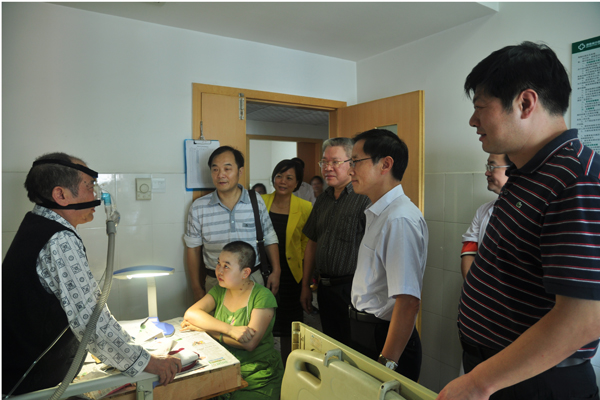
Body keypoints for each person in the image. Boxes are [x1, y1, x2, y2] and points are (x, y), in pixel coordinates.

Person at [438, 42, 600, 400]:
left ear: (525, 103)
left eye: (480, 107)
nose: (473, 121)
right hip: (502, 373)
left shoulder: (576, 179)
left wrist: (479, 383)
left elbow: (584, 318)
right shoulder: (527, 173)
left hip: (536, 383)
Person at [2, 153, 182, 395]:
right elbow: (91, 321)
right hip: (32, 385)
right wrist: (149, 363)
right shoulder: (59, 240)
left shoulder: (36, 224)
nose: (96, 194)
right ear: (60, 195)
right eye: (89, 186)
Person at [348, 129, 428, 381]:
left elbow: (408, 301)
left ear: (385, 164)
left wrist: (387, 363)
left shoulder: (399, 218)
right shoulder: (380, 213)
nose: (350, 170)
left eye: (356, 161)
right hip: (367, 331)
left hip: (385, 339)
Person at [182, 241, 283, 400]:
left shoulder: (262, 296)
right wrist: (230, 330)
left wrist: (207, 330)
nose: (219, 271)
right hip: (223, 368)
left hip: (257, 376)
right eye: (218, 264)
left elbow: (249, 343)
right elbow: (191, 314)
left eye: (226, 266)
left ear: (245, 273)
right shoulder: (220, 290)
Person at [184, 146, 281, 302]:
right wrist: (196, 288)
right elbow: (193, 249)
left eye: (227, 169)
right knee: (215, 318)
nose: (220, 175)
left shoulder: (255, 200)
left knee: (256, 317)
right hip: (216, 282)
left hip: (252, 279)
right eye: (215, 169)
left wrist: (276, 271)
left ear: (240, 171)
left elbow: (269, 237)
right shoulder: (198, 207)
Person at [300, 138, 371, 348]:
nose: (328, 168)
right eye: (324, 162)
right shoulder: (322, 199)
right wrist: (305, 286)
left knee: (355, 348)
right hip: (324, 288)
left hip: (354, 289)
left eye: (335, 162)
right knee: (332, 347)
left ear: (352, 164)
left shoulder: (365, 198)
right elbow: (312, 242)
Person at [261, 159, 312, 365]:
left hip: (292, 276)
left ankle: (290, 371)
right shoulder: (260, 201)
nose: (283, 181)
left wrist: (306, 283)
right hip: (263, 272)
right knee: (262, 323)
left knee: (290, 329)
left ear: (297, 183)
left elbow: (307, 246)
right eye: (279, 176)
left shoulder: (305, 207)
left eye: (289, 178)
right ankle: (266, 370)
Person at [460, 153, 511, 279]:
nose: (487, 173)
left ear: (513, 170)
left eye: (492, 167)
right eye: (487, 167)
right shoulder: (483, 210)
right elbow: (469, 251)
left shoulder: (531, 211)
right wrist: (471, 285)